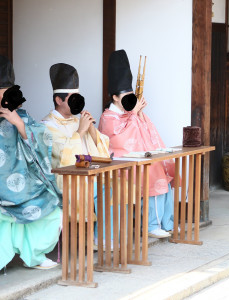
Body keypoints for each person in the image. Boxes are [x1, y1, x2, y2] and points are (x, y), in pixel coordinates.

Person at [0, 55, 62, 281]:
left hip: (20, 179)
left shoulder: (19, 114)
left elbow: (43, 140)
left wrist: (19, 124)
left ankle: (35, 253)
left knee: (53, 206)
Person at [98, 49, 176, 238]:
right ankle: (151, 225)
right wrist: (134, 114)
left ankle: (167, 223)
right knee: (153, 172)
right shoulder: (107, 117)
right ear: (115, 97)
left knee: (163, 169)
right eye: (126, 96)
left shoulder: (129, 113)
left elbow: (146, 134)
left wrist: (139, 114)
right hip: (119, 163)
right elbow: (121, 140)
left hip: (138, 159)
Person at [41, 63, 112, 246]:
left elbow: (101, 148)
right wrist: (80, 132)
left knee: (117, 186)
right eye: (72, 99)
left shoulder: (77, 120)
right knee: (105, 190)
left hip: (88, 174)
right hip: (67, 180)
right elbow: (61, 156)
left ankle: (102, 237)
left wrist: (91, 130)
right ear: (58, 100)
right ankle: (98, 239)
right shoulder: (47, 125)